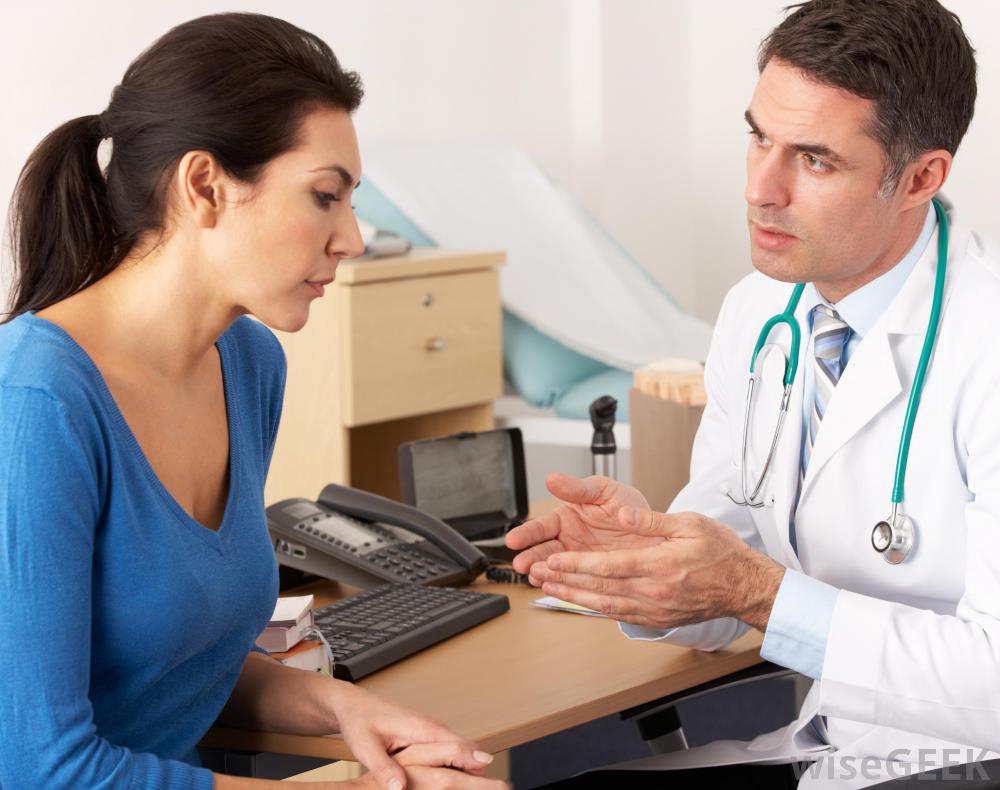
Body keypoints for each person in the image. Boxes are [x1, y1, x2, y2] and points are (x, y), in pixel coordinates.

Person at [0, 13, 506, 790]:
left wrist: (339, 708)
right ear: (204, 186)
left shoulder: (248, 363)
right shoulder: (36, 404)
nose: (353, 238)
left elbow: (170, 662)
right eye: (325, 197)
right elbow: (40, 767)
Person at [508, 0, 1000, 787]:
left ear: (920, 178)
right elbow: (727, 571)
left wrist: (753, 590)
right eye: (759, 138)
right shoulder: (760, 313)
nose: (761, 190)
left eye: (814, 160)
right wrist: (645, 561)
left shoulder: (987, 340)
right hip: (835, 742)